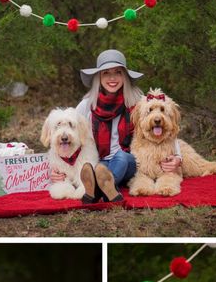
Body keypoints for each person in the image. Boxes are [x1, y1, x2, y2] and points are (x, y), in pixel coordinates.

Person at [52, 48, 182, 203]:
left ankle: (98, 188)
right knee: (91, 166)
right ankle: (106, 189)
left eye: (118, 72)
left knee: (121, 157)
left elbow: (170, 128)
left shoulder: (138, 102)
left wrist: (178, 158)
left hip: (128, 162)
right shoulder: (86, 105)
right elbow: (68, 134)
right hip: (95, 160)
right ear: (98, 77)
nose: (112, 77)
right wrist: (58, 167)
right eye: (106, 73)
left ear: (125, 76)